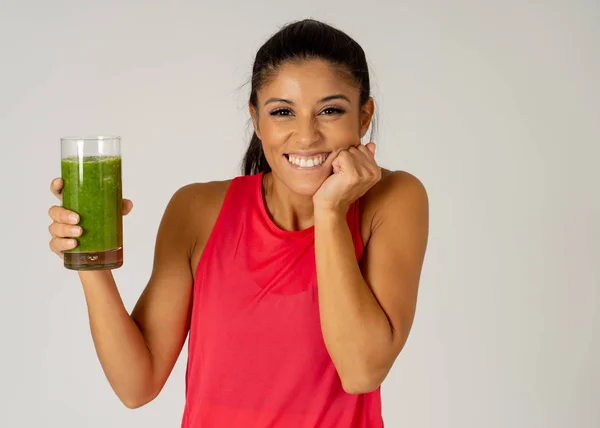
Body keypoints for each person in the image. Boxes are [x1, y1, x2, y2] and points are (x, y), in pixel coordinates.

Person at [47, 19, 429, 428]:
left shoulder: (393, 200)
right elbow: (136, 386)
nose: (305, 136)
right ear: (256, 119)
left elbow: (361, 372)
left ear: (364, 116)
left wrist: (331, 211)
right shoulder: (197, 209)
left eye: (330, 111)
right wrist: (89, 260)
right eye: (282, 112)